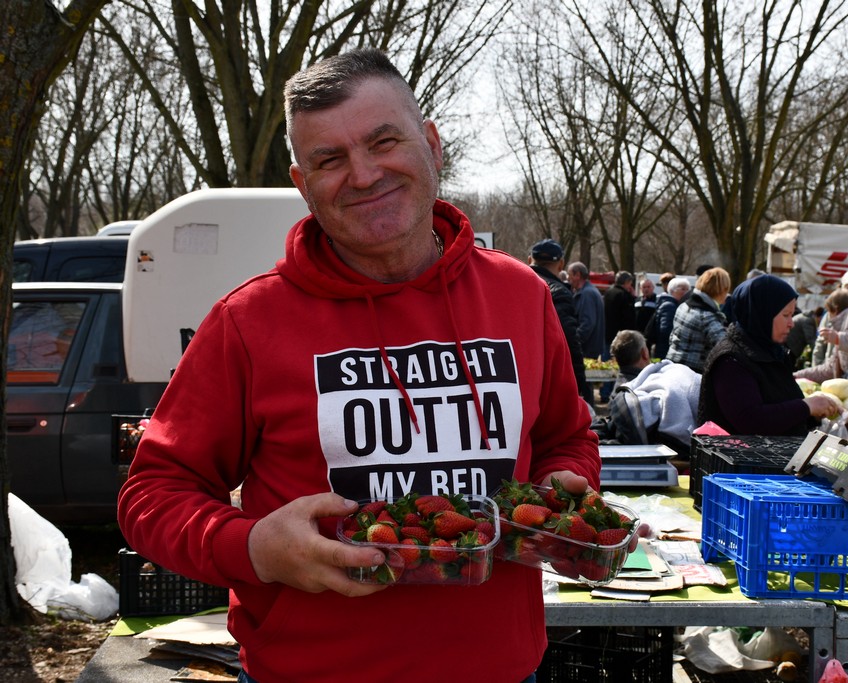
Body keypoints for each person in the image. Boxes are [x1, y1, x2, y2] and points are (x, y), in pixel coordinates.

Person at [117, 48, 600, 683]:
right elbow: (152, 495)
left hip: (500, 668)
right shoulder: (248, 320)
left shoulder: (521, 295)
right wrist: (254, 547)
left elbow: (566, 437)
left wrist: (562, 484)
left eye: (383, 141)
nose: (365, 174)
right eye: (330, 159)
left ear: (431, 143)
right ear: (302, 182)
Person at [698, 274, 838, 436]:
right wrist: (806, 407)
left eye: (792, 315)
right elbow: (751, 420)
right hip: (740, 458)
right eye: (786, 315)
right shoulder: (730, 360)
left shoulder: (772, 352)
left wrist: (818, 410)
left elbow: (784, 405)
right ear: (762, 315)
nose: (791, 323)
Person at [529, 238, 592, 406]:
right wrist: (580, 386)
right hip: (546, 379)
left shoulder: (512, 287)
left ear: (529, 260)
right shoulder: (558, 293)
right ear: (561, 264)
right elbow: (569, 341)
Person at [666, 267, 731, 373]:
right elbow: (725, 347)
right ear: (720, 290)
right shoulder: (706, 316)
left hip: (673, 366)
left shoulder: (684, 306)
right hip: (693, 373)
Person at [600, 270, 637, 401]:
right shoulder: (624, 296)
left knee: (607, 365)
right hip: (620, 337)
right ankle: (613, 393)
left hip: (607, 333)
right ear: (627, 282)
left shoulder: (608, 292)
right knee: (617, 367)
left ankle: (604, 392)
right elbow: (629, 318)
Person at [567, 261, 605, 360]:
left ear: (578, 275)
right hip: (591, 348)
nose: (568, 278)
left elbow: (587, 323)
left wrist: (574, 342)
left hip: (587, 350)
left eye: (569, 275)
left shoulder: (586, 294)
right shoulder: (590, 291)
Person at [646, 276, 690, 358]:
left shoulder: (676, 305)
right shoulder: (670, 306)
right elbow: (665, 331)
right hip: (664, 352)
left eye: (687, 289)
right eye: (683, 289)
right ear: (672, 290)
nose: (686, 292)